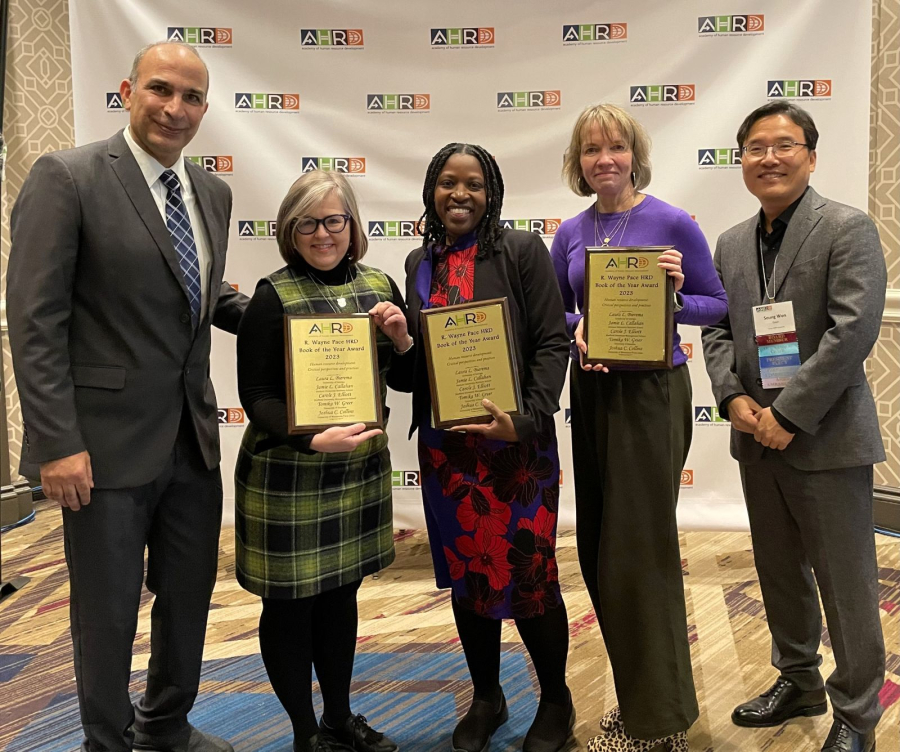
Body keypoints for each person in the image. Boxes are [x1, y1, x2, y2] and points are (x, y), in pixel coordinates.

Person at [7, 41, 248, 752]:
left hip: (192, 441)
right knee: (107, 612)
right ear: (128, 91)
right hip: (100, 448)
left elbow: (196, 298)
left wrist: (306, 309)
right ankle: (106, 742)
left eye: (192, 97)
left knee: (186, 597)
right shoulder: (69, 177)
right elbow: (35, 319)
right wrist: (56, 442)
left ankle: (166, 725)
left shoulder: (212, 192)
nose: (176, 109)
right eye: (161, 90)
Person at [701, 100, 886, 752]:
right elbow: (718, 332)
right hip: (756, 438)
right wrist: (731, 401)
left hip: (826, 438)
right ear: (742, 160)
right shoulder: (728, 243)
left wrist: (789, 414)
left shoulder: (846, 227)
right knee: (778, 571)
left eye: (784, 145)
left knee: (847, 584)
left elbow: (851, 332)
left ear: (810, 156)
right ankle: (798, 680)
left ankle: (858, 714)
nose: (769, 157)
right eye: (756, 147)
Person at [551, 103, 728, 752]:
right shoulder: (569, 232)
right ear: (578, 162)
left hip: (652, 394)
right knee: (601, 548)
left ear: (634, 154)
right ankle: (639, 701)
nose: (605, 159)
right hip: (593, 391)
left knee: (639, 551)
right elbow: (559, 316)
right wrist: (578, 335)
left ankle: (660, 723)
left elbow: (716, 307)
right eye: (592, 149)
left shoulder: (672, 222)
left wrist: (677, 295)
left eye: (616, 147)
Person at [234, 170, 414, 752]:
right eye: (307, 223)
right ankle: (304, 733)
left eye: (334, 220)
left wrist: (403, 336)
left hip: (356, 473)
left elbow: (409, 379)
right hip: (287, 474)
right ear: (291, 229)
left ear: (352, 224)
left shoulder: (380, 287)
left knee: (340, 599)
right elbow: (256, 396)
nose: (322, 233)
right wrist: (309, 438)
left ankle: (339, 717)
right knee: (289, 609)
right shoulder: (272, 295)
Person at [401, 143, 573, 752]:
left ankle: (555, 701)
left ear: (491, 191)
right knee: (470, 575)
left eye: (473, 184)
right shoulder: (419, 261)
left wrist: (525, 420)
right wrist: (398, 342)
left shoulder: (523, 251)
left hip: (516, 454)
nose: (460, 195)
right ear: (431, 189)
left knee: (530, 575)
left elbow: (553, 344)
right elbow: (418, 368)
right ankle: (487, 696)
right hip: (449, 453)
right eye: (448, 183)